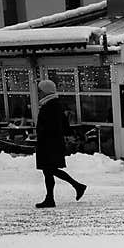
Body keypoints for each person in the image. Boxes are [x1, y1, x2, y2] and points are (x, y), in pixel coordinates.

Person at [34, 79, 86, 209]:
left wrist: (42, 134)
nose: (39, 93)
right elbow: (64, 125)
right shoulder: (54, 105)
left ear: (46, 91)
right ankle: (50, 198)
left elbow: (51, 126)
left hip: (49, 144)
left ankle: (76, 186)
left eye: (40, 91)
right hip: (52, 143)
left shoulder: (50, 106)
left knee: (49, 169)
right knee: (48, 171)